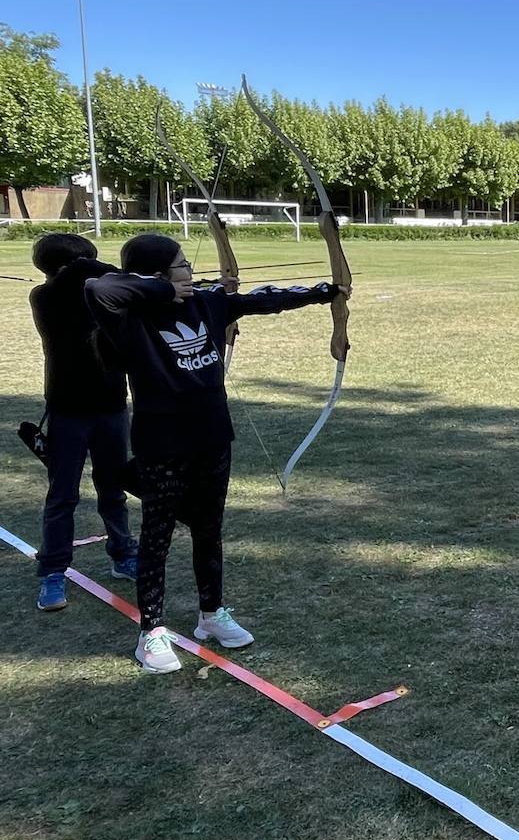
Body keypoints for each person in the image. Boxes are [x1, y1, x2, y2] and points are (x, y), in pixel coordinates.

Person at [86, 233, 348, 675]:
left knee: (210, 529)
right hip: (162, 441)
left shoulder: (207, 304)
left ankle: (212, 614)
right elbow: (99, 287)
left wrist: (326, 292)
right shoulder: (128, 316)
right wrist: (164, 290)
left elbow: (263, 299)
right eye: (181, 264)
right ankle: (151, 632)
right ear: (157, 275)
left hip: (212, 436)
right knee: (158, 535)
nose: (189, 269)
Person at [28, 233, 140, 612]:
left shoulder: (101, 294)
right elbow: (93, 276)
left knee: (114, 488)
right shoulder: (45, 297)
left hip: (110, 405)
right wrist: (85, 265)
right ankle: (53, 571)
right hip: (67, 410)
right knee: (63, 495)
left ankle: (123, 553)